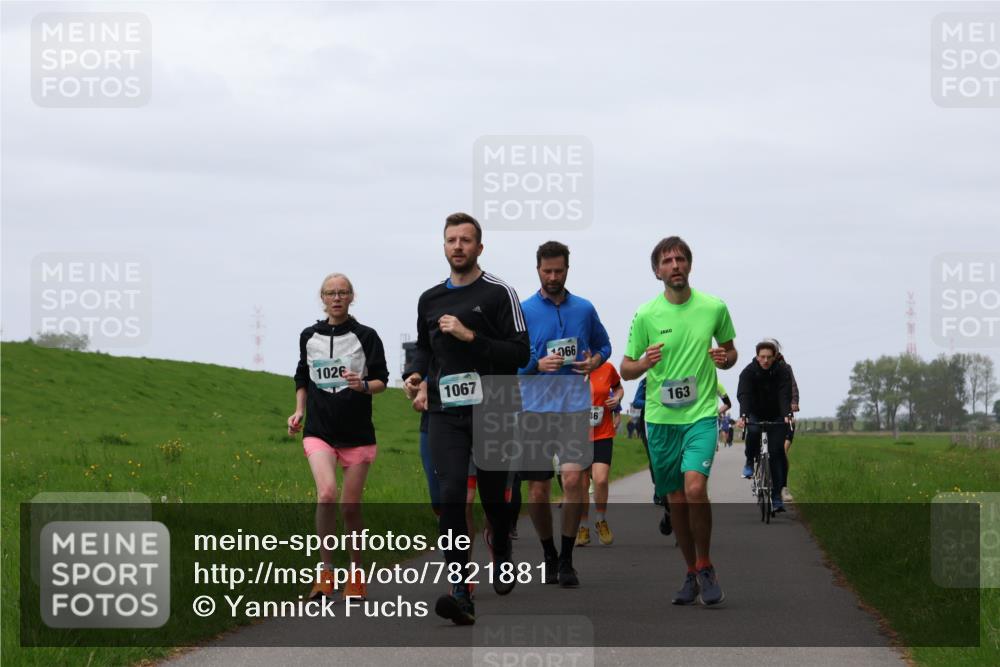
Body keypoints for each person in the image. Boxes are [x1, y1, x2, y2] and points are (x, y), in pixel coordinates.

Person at [403, 212, 529, 625]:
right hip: (445, 410)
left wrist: (469, 335)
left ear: (479, 247)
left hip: (493, 406)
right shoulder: (428, 299)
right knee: (452, 495)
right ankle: (460, 589)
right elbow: (423, 348)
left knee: (494, 497)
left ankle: (501, 542)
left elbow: (520, 353)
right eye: (451, 240)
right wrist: (415, 374)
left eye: (466, 240)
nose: (458, 246)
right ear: (443, 246)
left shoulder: (499, 293)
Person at [621, 236, 737, 607]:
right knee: (676, 500)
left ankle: (706, 564)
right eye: (667, 261)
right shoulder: (646, 315)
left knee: (694, 489)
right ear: (657, 271)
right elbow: (626, 369)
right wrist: (644, 363)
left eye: (680, 259)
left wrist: (725, 359)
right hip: (660, 420)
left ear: (689, 265)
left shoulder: (714, 307)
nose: (675, 265)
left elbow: (731, 351)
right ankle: (690, 570)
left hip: (701, 415)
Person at [288, 273, 388, 601]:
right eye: (331, 293)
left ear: (351, 297)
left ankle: (356, 574)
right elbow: (302, 375)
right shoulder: (309, 335)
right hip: (319, 430)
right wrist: (299, 411)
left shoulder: (367, 336)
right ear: (322, 298)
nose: (336, 298)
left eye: (342, 292)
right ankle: (325, 573)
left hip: (357, 433)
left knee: (350, 506)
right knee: (327, 494)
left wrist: (363, 385)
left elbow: (382, 381)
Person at [518, 240, 612, 588]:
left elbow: (604, 345)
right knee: (539, 492)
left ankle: (568, 557)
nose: (553, 277)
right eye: (547, 271)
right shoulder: (524, 310)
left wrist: (594, 362)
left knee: (574, 481)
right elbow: (509, 359)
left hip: (573, 408)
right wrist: (535, 364)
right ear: (538, 270)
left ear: (567, 270)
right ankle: (548, 554)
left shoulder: (584, 309)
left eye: (558, 270)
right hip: (535, 410)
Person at [736, 340, 794, 514]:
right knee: (753, 432)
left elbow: (785, 394)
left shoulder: (782, 371)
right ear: (757, 356)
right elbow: (744, 395)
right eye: (762, 357)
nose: (766, 361)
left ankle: (777, 496)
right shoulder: (748, 372)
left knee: (777, 453)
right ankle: (749, 461)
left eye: (769, 357)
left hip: (776, 414)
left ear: (775, 357)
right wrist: (744, 415)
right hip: (755, 412)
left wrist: (786, 414)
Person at [577, 362, 625, 546]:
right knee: (581, 483)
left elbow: (618, 388)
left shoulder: (607, 368)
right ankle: (583, 527)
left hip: (602, 433)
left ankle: (600, 519)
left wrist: (618, 398)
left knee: (600, 480)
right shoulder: (570, 368)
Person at [755, 338, 800, 502]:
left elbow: (792, 387)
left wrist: (794, 403)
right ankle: (759, 467)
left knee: (781, 452)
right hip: (763, 414)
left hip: (783, 416)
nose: (766, 359)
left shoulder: (785, 368)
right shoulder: (757, 367)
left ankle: (783, 487)